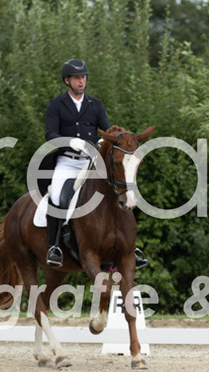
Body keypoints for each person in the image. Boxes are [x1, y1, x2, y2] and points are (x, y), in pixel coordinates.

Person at [44, 59, 148, 269]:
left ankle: (130, 248)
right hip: (67, 162)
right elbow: (50, 134)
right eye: (77, 78)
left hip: (91, 161)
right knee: (57, 197)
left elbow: (108, 131)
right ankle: (54, 247)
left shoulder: (95, 104)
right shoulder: (56, 104)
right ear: (67, 81)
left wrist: (103, 142)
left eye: (83, 77)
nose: (81, 81)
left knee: (120, 190)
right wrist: (69, 142)